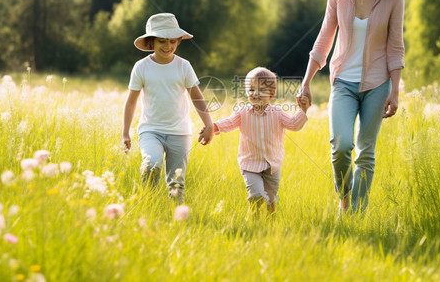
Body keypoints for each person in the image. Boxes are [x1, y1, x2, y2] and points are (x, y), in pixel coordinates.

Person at [297, 0, 405, 214]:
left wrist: (395, 90)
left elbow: (395, 47)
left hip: (378, 85)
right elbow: (324, 40)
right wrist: (306, 82)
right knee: (341, 145)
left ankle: (355, 213)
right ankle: (344, 195)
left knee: (365, 152)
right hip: (343, 81)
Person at [122, 13, 214, 203]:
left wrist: (209, 124)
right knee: (151, 165)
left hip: (180, 132)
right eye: (162, 41)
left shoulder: (184, 66)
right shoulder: (141, 67)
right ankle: (149, 202)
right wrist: (125, 133)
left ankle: (176, 218)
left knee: (177, 183)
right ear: (151, 43)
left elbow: (196, 96)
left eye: (172, 41)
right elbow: (131, 101)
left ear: (179, 41)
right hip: (151, 130)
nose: (167, 46)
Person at [210, 67, 310, 216]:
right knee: (256, 196)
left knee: (270, 200)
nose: (255, 93)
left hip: (272, 165)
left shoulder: (278, 113)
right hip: (250, 164)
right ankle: (254, 219)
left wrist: (304, 110)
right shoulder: (242, 113)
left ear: (272, 94)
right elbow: (228, 122)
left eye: (262, 90)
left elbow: (294, 125)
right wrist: (213, 127)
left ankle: (270, 223)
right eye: (251, 89)